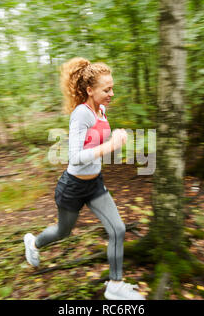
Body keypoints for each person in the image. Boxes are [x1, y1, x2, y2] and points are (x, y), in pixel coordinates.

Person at [23, 57, 145, 300]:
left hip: (94, 184)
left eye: (112, 88)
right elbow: (76, 157)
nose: (112, 93)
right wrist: (111, 145)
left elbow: (96, 143)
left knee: (118, 229)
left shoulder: (100, 109)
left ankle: (115, 285)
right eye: (106, 89)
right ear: (90, 90)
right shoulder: (81, 114)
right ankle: (33, 244)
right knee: (62, 232)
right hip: (73, 187)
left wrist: (114, 141)